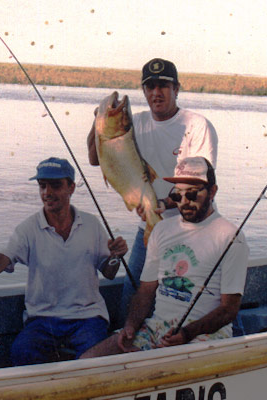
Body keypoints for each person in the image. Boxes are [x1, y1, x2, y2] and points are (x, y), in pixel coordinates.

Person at [0, 157, 128, 366]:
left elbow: (109, 273)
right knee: (21, 353)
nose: (47, 193)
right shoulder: (28, 228)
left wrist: (115, 256)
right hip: (42, 319)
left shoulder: (91, 224)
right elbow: (4, 257)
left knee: (94, 363)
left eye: (55, 185)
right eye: (42, 186)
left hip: (88, 317)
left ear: (71, 188)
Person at [87, 57, 219, 318]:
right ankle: (132, 348)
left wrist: (164, 204)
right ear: (144, 91)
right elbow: (95, 159)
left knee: (202, 297)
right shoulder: (134, 123)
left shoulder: (197, 125)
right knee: (132, 298)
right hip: (150, 226)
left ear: (176, 89)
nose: (156, 93)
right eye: (150, 87)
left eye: (163, 86)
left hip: (195, 228)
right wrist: (97, 122)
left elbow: (202, 183)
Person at [81, 157, 247, 357]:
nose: (184, 202)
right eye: (178, 196)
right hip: (157, 327)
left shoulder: (230, 236)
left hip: (205, 334)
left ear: (212, 192)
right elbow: (145, 292)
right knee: (89, 360)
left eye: (192, 194)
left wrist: (186, 334)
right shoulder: (161, 229)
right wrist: (131, 326)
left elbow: (229, 309)